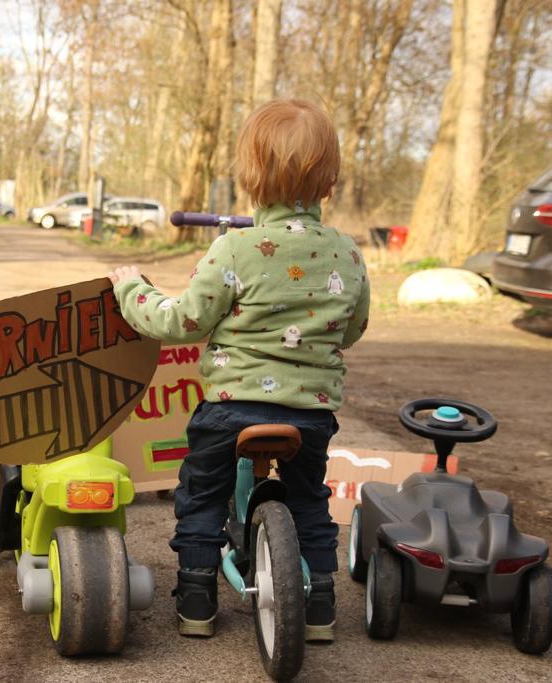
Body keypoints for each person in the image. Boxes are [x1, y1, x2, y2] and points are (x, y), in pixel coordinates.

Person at [107, 99, 369, 642]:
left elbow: (181, 321)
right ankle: (320, 608)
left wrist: (132, 288)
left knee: (202, 493)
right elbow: (352, 327)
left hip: (233, 410)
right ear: (331, 178)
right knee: (310, 501)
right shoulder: (348, 252)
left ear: (248, 175)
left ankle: (198, 601)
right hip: (311, 416)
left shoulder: (235, 248)